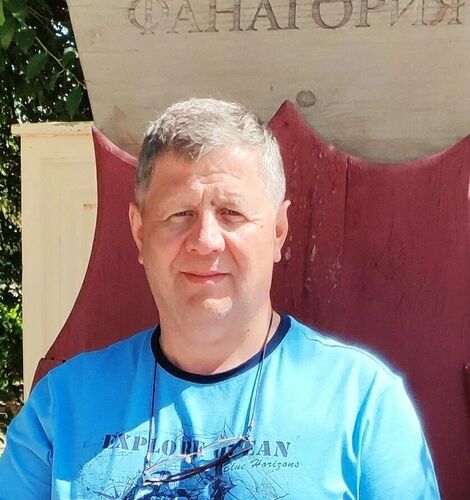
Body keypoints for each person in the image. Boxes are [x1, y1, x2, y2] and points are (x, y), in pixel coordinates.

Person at [0, 98, 440, 499]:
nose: (206, 240)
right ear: (139, 232)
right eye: (180, 213)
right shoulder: (60, 410)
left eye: (231, 213)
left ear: (278, 231)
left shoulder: (363, 405)